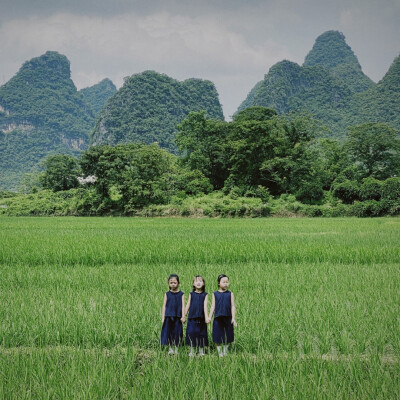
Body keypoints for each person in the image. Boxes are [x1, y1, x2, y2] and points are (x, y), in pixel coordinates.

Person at [208, 274, 237, 357]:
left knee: (228, 334)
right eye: (223, 282)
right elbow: (213, 306)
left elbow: (233, 306)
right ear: (218, 283)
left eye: (227, 282)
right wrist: (210, 316)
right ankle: (220, 352)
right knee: (218, 334)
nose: (225, 284)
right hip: (218, 317)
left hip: (228, 317)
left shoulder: (230, 294)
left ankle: (225, 351)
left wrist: (233, 318)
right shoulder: (215, 294)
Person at [184, 275, 209, 357]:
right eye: (196, 281)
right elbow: (187, 305)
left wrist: (207, 317)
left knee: (201, 334)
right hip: (192, 318)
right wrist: (183, 315)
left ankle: (201, 351)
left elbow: (205, 306)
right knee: (191, 333)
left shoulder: (205, 294)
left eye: (200, 281)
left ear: (203, 284)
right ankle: (192, 350)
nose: (198, 282)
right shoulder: (191, 294)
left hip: (201, 318)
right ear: (193, 284)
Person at [161, 274, 185, 354]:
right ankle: (171, 349)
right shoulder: (167, 294)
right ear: (168, 283)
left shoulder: (181, 294)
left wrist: (183, 316)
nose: (173, 284)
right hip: (168, 316)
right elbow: (164, 305)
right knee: (169, 332)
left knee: (177, 332)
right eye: (171, 283)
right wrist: (163, 317)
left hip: (178, 316)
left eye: (175, 282)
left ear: (178, 283)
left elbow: (183, 306)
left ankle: (176, 349)